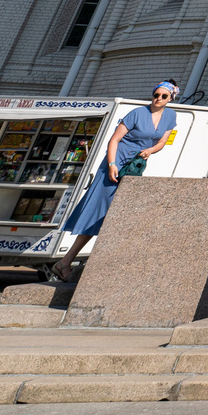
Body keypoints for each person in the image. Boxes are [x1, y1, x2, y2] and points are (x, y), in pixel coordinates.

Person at [49, 82, 181, 284]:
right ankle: (66, 262)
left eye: (164, 96)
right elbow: (114, 140)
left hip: (134, 166)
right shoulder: (137, 113)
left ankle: (73, 263)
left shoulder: (170, 116)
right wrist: (111, 164)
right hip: (115, 164)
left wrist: (150, 151)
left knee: (118, 213)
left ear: (171, 98)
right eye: (156, 94)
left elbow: (162, 141)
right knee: (99, 212)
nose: (158, 99)